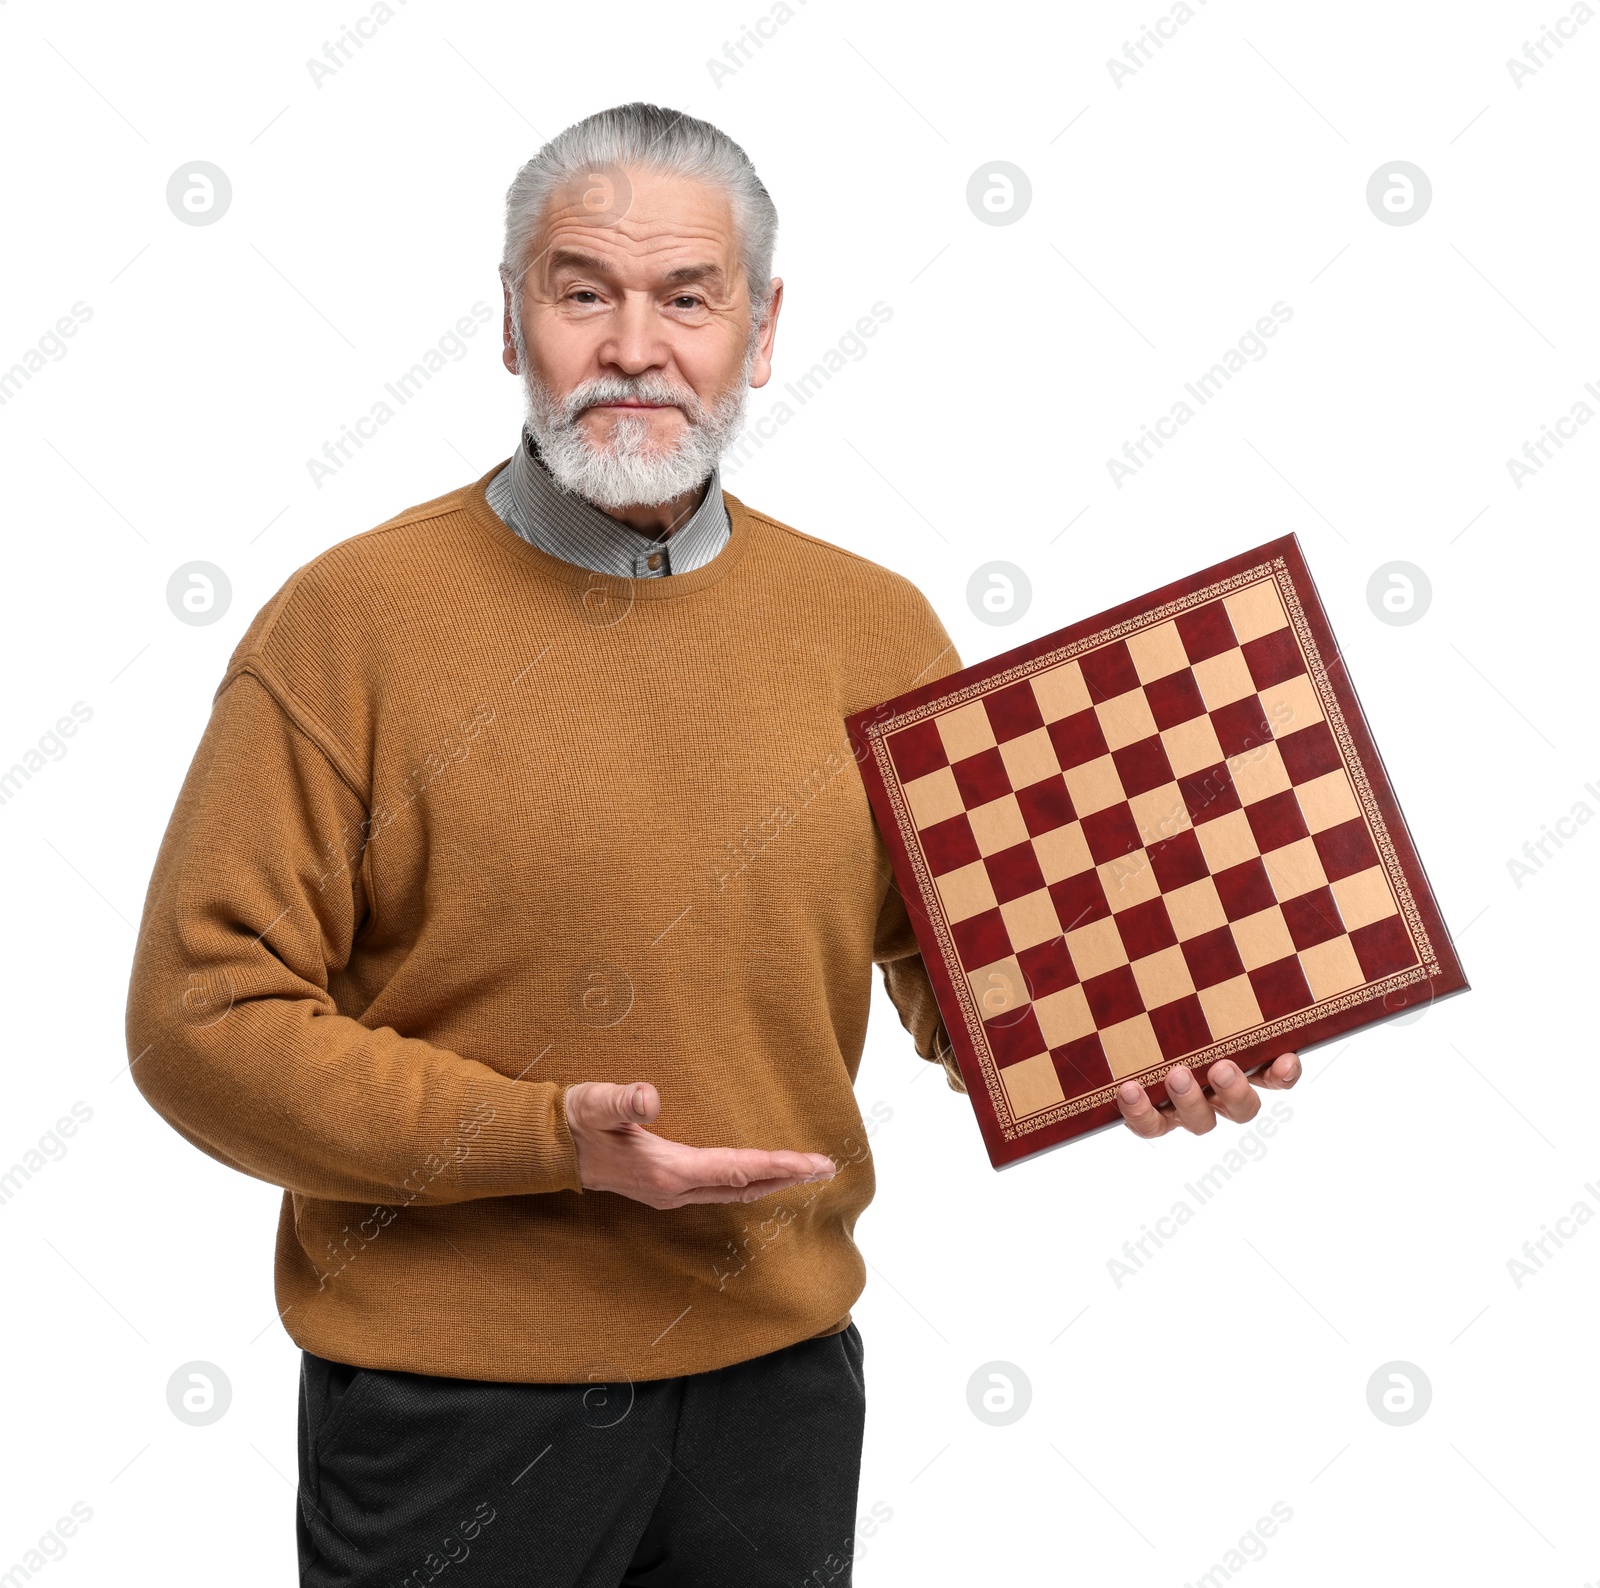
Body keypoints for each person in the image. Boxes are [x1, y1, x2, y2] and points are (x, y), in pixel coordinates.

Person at [126, 101, 1301, 1588]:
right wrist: (547, 1142)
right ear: (510, 323)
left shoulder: (872, 625)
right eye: (581, 293)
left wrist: (1139, 1040)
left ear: (759, 330)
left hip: (781, 1389)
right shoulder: (347, 624)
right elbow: (197, 1025)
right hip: (453, 1409)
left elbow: (964, 970)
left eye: (688, 297)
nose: (635, 346)